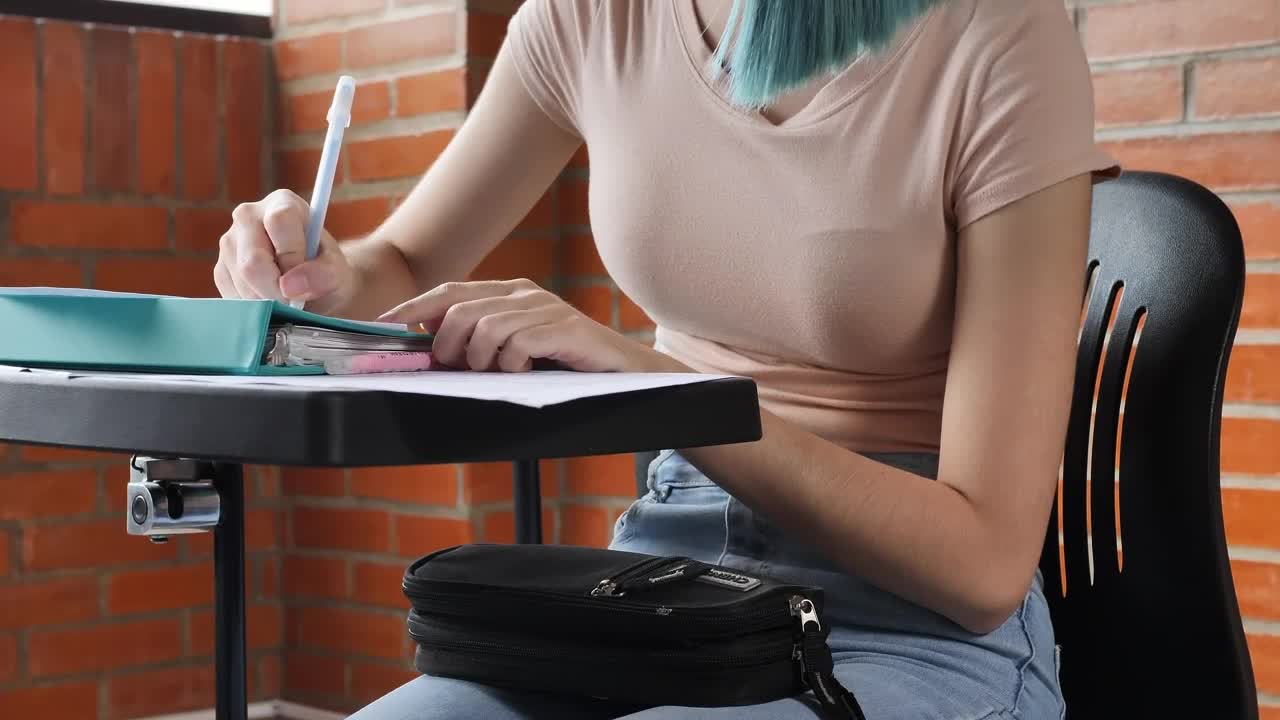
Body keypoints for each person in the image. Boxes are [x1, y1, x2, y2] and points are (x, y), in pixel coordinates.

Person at [216, 0, 1119, 717]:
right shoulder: (592, 17)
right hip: (665, 589)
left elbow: (985, 567)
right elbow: (403, 264)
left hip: (915, 629)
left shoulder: (998, 38)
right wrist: (321, 272)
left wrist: (662, 388)